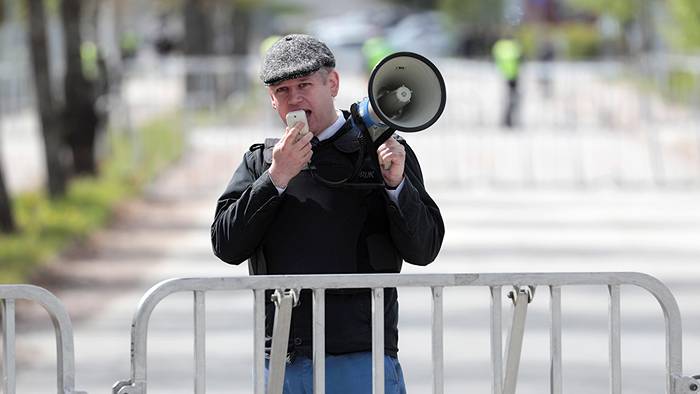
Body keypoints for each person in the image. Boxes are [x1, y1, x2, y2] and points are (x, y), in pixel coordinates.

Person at [211, 34, 444, 393]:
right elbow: (226, 245)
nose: (295, 99)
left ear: (332, 83)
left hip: (363, 356)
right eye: (282, 90)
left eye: (304, 85)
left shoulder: (383, 152)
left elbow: (424, 248)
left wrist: (397, 185)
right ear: (272, 101)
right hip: (285, 359)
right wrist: (277, 178)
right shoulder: (261, 162)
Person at [492, 36, 523, 128]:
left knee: (505, 101)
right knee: (512, 100)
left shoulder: (499, 46)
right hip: (513, 76)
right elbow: (520, 60)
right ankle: (509, 121)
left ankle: (506, 121)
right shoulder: (515, 46)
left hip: (501, 76)